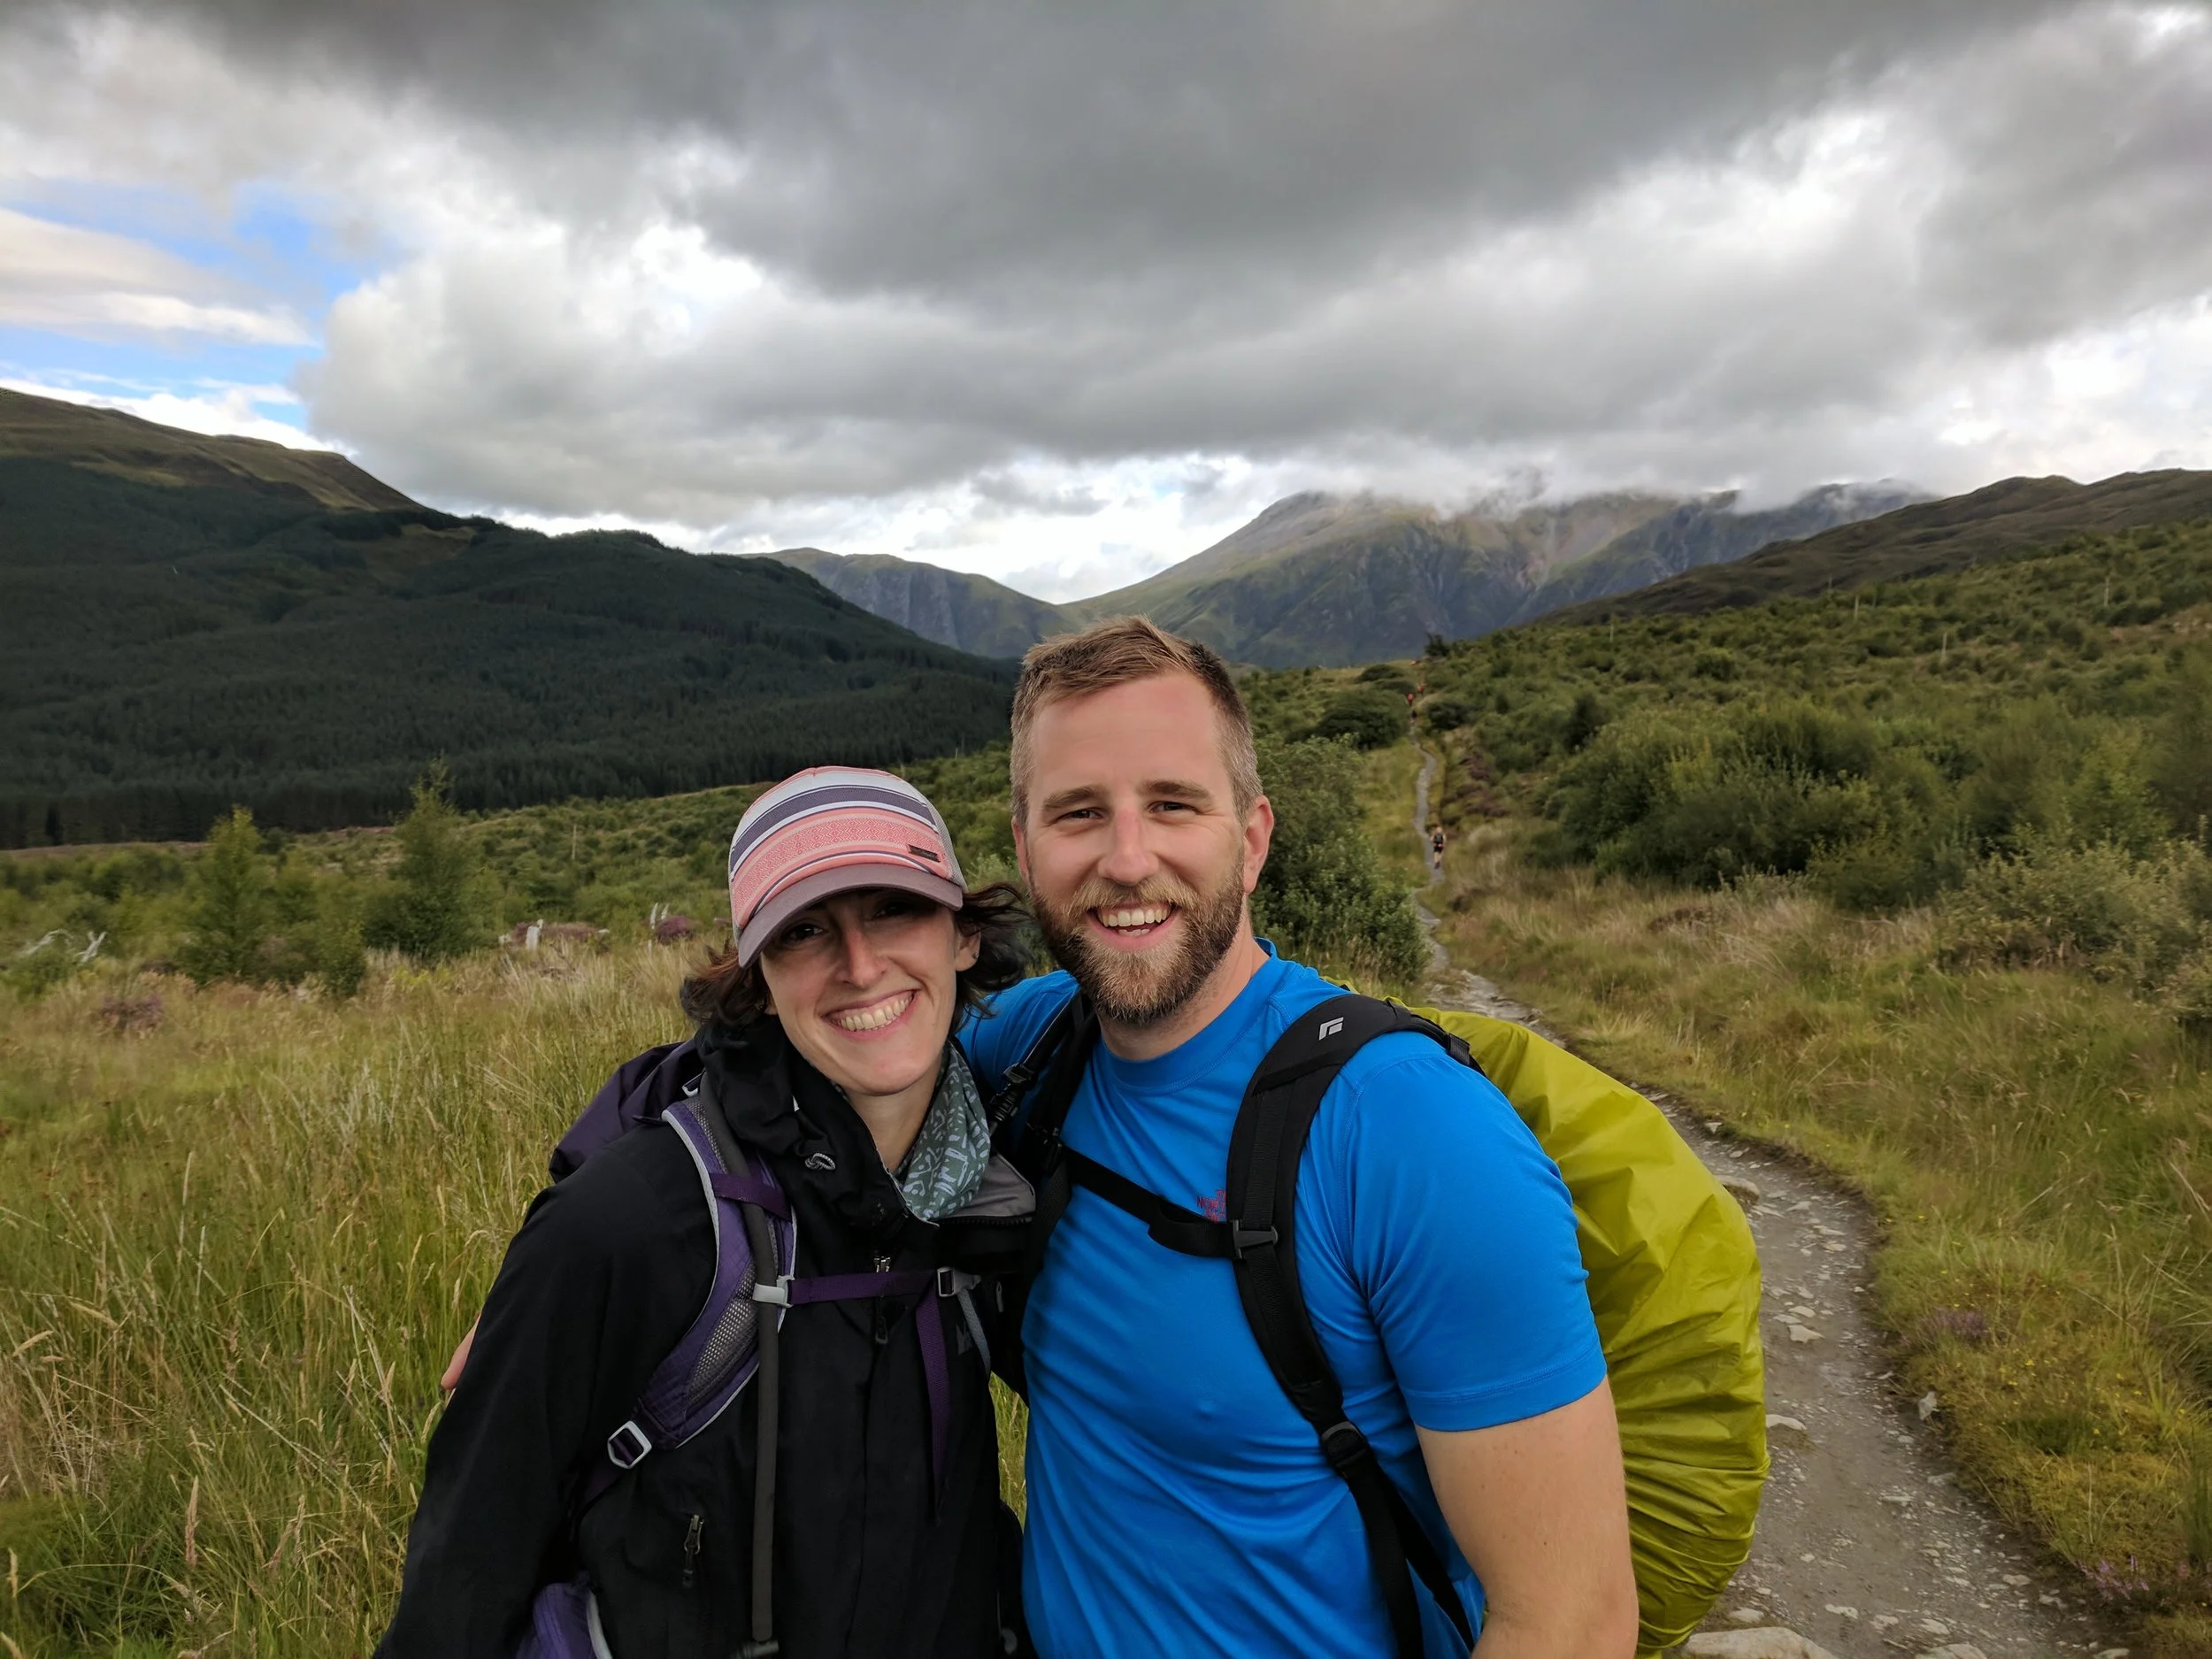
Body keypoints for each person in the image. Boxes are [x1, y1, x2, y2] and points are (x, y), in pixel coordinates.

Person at [964, 618, 1637, 1656]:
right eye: (1079, 813)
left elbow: (1573, 1620)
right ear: (1024, 846)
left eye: (1174, 804)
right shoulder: (1026, 1056)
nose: (1127, 857)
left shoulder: (1412, 1135)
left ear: (1254, 836)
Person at [380, 768, 1034, 1658]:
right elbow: (464, 1575)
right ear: (758, 980)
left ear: (961, 937)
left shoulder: (998, 1176)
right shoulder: (630, 1224)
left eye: (894, 908)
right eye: (803, 930)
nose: (860, 964)